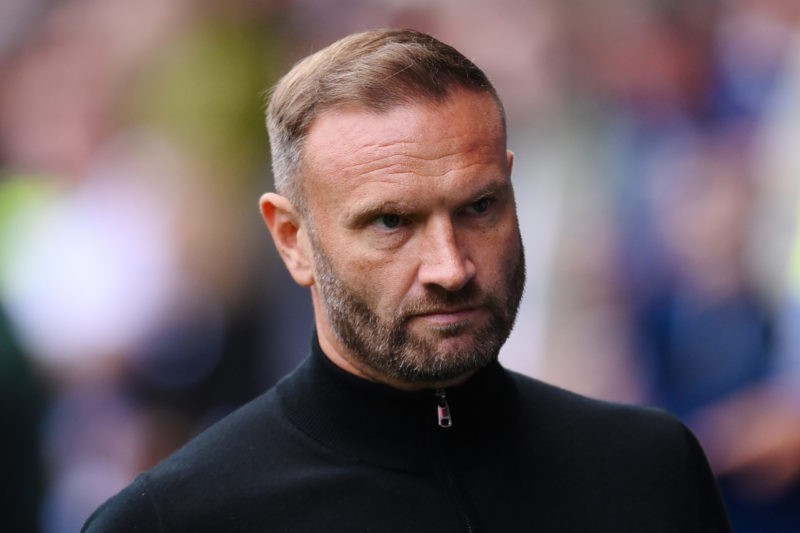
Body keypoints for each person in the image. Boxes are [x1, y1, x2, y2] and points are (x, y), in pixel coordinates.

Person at [82, 28, 730, 532]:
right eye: (391, 221)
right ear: (292, 239)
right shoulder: (175, 519)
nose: (451, 267)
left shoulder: (649, 470)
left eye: (479, 207)